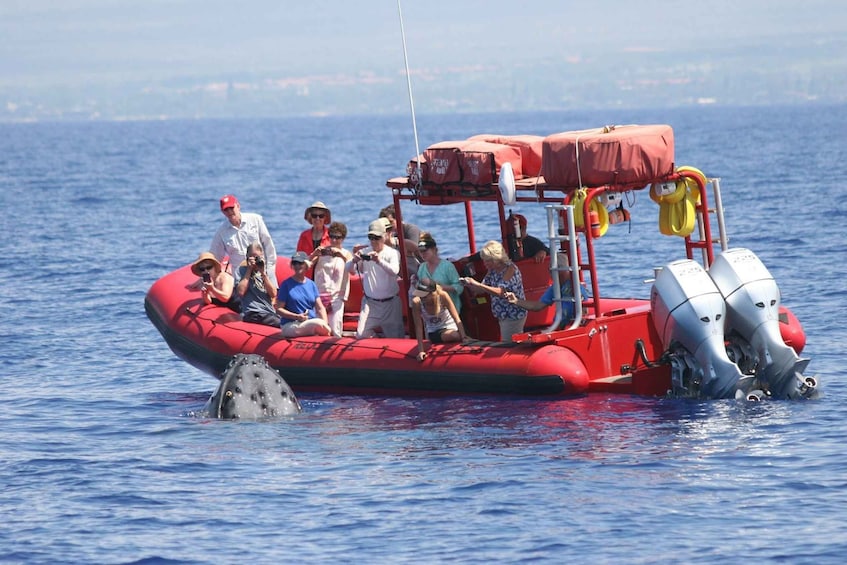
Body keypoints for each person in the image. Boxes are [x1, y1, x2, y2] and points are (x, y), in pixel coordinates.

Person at [460, 240, 527, 342]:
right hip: (502, 315)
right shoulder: (492, 271)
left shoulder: (510, 269)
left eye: (487, 261)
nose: (485, 263)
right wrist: (468, 284)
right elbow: (481, 289)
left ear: (496, 259)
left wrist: (477, 284)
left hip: (513, 314)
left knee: (509, 345)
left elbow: (501, 292)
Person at [347, 219, 404, 339]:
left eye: (376, 238)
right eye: (371, 237)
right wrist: (354, 260)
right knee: (361, 334)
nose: (373, 241)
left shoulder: (392, 253)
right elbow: (349, 269)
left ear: (384, 236)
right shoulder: (364, 252)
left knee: (396, 338)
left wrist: (379, 261)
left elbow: (394, 271)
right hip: (370, 303)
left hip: (391, 304)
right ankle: (376, 339)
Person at [210, 194, 277, 286]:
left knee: (271, 297)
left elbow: (268, 245)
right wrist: (206, 276)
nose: (229, 212)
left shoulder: (255, 220)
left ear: (238, 206)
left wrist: (270, 270)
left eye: (231, 208)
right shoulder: (221, 232)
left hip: (262, 271)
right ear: (222, 212)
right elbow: (215, 257)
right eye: (226, 209)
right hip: (240, 277)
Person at [309, 221, 353, 337]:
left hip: (337, 298)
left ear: (343, 238)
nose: (334, 240)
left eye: (337, 237)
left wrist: (341, 256)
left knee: (335, 330)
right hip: (320, 296)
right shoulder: (322, 252)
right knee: (320, 328)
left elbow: (353, 270)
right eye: (331, 237)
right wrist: (314, 254)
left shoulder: (346, 254)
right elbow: (306, 266)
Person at [274, 252, 332, 338]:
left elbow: (320, 308)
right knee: (317, 323)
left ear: (306, 264)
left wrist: (326, 324)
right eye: (295, 263)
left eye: (300, 263)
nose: (297, 266)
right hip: (291, 324)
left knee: (320, 323)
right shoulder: (286, 285)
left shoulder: (311, 284)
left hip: (309, 321)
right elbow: (279, 309)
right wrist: (296, 316)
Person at [411, 278, 468, 362]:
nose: (422, 298)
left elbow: (456, 317)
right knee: (453, 336)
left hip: (452, 327)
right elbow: (418, 327)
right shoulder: (417, 302)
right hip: (434, 331)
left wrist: (464, 337)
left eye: (424, 296)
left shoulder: (442, 296)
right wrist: (421, 350)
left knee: (458, 334)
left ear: (432, 293)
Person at [504, 276, 586, 329]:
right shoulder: (555, 287)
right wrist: (516, 301)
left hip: (572, 326)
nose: (551, 273)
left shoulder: (576, 287)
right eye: (550, 269)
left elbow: (585, 311)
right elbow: (537, 306)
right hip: (558, 327)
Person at [416, 232, 462, 313]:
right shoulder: (422, 268)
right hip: (430, 312)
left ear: (434, 249)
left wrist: (439, 287)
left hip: (449, 311)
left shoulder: (447, 266)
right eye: (420, 251)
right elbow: (420, 292)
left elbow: (459, 287)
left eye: (425, 251)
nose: (422, 254)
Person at [235, 242, 279, 327]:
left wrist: (263, 273)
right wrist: (249, 270)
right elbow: (240, 292)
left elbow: (273, 294)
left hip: (268, 312)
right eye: (252, 257)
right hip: (252, 312)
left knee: (283, 323)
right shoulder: (241, 271)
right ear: (247, 257)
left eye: (257, 257)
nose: (254, 260)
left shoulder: (268, 272)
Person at [379, 204, 423, 276]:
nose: (388, 226)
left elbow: (413, 250)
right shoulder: (389, 234)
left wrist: (393, 242)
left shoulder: (410, 229)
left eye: (391, 222)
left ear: (398, 219)